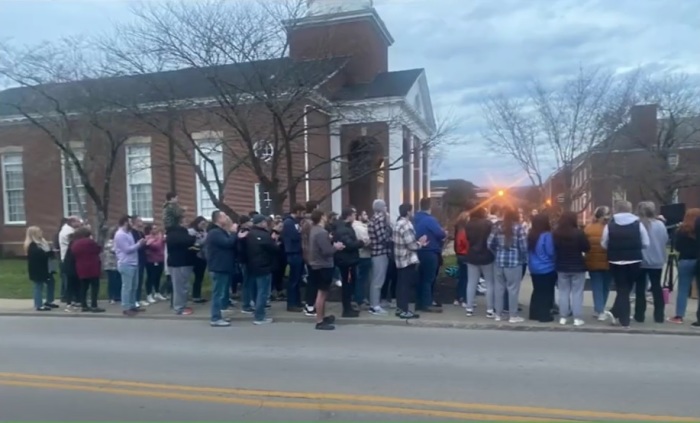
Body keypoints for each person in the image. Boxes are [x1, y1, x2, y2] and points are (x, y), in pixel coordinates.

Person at [601, 200, 650, 328]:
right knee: (626, 288)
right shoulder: (638, 224)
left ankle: (619, 314)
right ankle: (622, 317)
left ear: (616, 209)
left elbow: (604, 243)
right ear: (630, 209)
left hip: (615, 260)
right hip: (634, 260)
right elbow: (646, 242)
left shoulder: (610, 225)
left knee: (622, 288)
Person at [487, 207, 527, 323]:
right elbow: (524, 247)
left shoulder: (498, 227)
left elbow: (489, 243)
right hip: (514, 262)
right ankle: (513, 315)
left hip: (499, 261)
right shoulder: (519, 228)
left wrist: (497, 252)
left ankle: (498, 314)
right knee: (513, 289)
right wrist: (523, 258)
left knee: (499, 289)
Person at [308, 209, 344, 330]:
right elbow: (327, 251)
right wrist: (336, 247)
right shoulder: (321, 232)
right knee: (322, 293)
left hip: (316, 264)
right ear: (322, 217)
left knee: (322, 292)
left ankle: (322, 317)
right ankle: (319, 320)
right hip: (323, 265)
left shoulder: (314, 230)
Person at [552, 211, 590, 326]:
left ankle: (563, 317)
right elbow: (587, 247)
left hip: (562, 265)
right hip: (578, 266)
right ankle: (577, 318)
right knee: (577, 293)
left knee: (563, 292)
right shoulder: (579, 233)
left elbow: (554, 248)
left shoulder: (556, 233)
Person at [205, 210, 241, 327]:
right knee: (218, 293)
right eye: (224, 216)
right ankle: (215, 318)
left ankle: (219, 315)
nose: (227, 218)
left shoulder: (221, 232)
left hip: (223, 266)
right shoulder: (215, 232)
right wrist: (234, 233)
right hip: (218, 267)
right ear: (218, 219)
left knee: (221, 292)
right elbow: (228, 243)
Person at [635, 202, 668, 324]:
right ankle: (659, 316)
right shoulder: (660, 224)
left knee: (640, 288)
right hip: (657, 259)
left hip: (642, 260)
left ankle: (639, 315)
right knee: (656, 287)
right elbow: (665, 239)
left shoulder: (639, 225)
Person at [393, 203, 427, 319]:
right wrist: (421, 243)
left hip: (399, 258)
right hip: (406, 259)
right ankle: (404, 310)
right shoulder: (406, 225)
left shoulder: (397, 223)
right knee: (405, 286)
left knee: (400, 285)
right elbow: (411, 245)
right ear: (408, 212)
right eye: (411, 211)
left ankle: (399, 308)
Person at [331, 207, 365, 318]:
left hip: (347, 260)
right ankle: (347, 309)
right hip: (347, 261)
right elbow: (349, 244)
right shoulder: (343, 229)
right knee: (348, 284)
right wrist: (361, 243)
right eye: (354, 215)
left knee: (349, 284)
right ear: (349, 215)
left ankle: (348, 307)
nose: (355, 217)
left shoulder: (344, 227)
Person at [414, 198, 446, 313]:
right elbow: (440, 234)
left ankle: (419, 303)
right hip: (430, 250)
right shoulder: (430, 220)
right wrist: (444, 232)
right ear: (429, 207)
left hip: (418, 251)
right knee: (429, 278)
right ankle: (427, 303)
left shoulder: (415, 218)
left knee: (420, 278)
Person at [246, 214, 279, 325]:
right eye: (264, 222)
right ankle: (259, 316)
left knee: (255, 290)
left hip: (252, 265)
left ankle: (256, 310)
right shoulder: (264, 235)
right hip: (264, 265)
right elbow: (273, 249)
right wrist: (275, 241)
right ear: (261, 223)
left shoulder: (249, 234)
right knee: (263, 291)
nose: (266, 223)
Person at [669, 208, 700, 324]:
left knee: (682, 289)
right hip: (697, 260)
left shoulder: (681, 231)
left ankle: (679, 316)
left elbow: (677, 247)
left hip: (685, 260)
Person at [464, 207, 495, 318]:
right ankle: (490, 309)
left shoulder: (468, 224)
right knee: (490, 283)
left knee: (471, 282)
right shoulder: (488, 224)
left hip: (472, 255)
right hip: (487, 255)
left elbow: (467, 238)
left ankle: (469, 308)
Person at [114, 215, 146, 316]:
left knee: (134, 286)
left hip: (133, 262)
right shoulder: (120, 235)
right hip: (126, 263)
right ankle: (126, 307)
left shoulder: (128, 233)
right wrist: (139, 244)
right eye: (130, 222)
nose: (132, 224)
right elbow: (127, 249)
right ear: (125, 223)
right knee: (127, 287)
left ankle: (133, 305)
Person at [527, 214, 556, 322]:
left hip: (533, 267)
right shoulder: (547, 235)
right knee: (546, 292)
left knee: (537, 290)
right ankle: (544, 315)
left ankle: (533, 313)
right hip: (547, 267)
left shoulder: (531, 235)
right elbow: (550, 252)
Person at [584, 206, 612, 320]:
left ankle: (599, 309)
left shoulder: (588, 228)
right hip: (608, 261)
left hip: (592, 261)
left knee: (597, 287)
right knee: (606, 287)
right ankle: (601, 309)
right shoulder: (610, 228)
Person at [71, 227, 105, 313]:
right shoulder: (90, 242)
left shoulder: (75, 243)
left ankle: (84, 305)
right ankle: (94, 305)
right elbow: (98, 249)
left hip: (81, 267)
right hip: (92, 266)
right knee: (94, 287)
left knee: (83, 287)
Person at [367, 199, 392, 315]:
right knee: (378, 280)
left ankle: (375, 302)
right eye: (385, 206)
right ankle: (374, 306)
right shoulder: (380, 219)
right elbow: (383, 238)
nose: (386, 208)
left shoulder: (372, 219)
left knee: (375, 279)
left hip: (375, 252)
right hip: (380, 252)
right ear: (381, 208)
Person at [167, 222, 197, 316]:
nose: (186, 223)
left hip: (184, 262)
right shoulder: (174, 234)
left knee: (184, 286)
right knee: (179, 287)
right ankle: (179, 308)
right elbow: (188, 240)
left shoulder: (180, 233)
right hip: (178, 263)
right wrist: (193, 237)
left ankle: (182, 305)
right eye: (183, 221)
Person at [25, 226, 57, 311]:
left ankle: (49, 301)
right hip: (38, 269)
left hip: (47, 267)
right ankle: (38, 305)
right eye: (39, 231)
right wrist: (49, 253)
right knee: (38, 286)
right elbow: (39, 256)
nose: (41, 232)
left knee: (51, 283)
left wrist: (51, 253)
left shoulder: (43, 242)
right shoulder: (32, 245)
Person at [283, 203, 306, 312]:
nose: (303, 215)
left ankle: (297, 301)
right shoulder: (289, 223)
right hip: (293, 253)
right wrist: (302, 232)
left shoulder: (295, 222)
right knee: (293, 280)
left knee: (298, 279)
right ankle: (291, 303)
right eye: (302, 212)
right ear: (297, 211)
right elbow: (295, 236)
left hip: (298, 252)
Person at [301, 201, 320, 316]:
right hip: (311, 256)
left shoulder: (305, 222)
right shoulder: (310, 223)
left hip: (308, 255)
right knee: (313, 281)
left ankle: (310, 304)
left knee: (312, 280)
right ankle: (310, 305)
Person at [352, 208, 372, 308]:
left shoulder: (362, 226)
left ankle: (361, 298)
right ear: (359, 217)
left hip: (363, 255)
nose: (367, 216)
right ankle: (360, 299)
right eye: (364, 214)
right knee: (362, 279)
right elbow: (366, 241)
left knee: (362, 278)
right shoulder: (358, 227)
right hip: (363, 255)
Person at [58, 216, 80, 303]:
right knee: (69, 279)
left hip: (68, 257)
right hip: (68, 258)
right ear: (72, 222)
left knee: (67, 279)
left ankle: (67, 296)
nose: (79, 223)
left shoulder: (67, 229)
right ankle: (68, 297)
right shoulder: (68, 232)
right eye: (78, 222)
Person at [144, 224, 167, 304]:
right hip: (151, 261)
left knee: (158, 277)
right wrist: (159, 238)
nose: (156, 230)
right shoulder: (148, 238)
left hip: (160, 259)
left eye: (156, 228)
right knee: (151, 277)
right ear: (150, 230)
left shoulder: (159, 237)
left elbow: (164, 242)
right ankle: (149, 294)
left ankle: (157, 293)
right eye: (154, 228)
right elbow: (155, 246)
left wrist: (161, 238)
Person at [188, 216, 209, 304]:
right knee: (190, 277)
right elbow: (196, 243)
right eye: (202, 224)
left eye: (204, 224)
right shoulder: (191, 232)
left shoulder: (204, 232)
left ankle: (197, 295)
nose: (203, 226)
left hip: (202, 256)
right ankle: (192, 295)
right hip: (194, 256)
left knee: (199, 277)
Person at [103, 227, 121, 305]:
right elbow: (115, 250)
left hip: (117, 265)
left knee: (118, 281)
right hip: (110, 265)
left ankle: (117, 296)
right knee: (112, 281)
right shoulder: (110, 242)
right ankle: (111, 297)